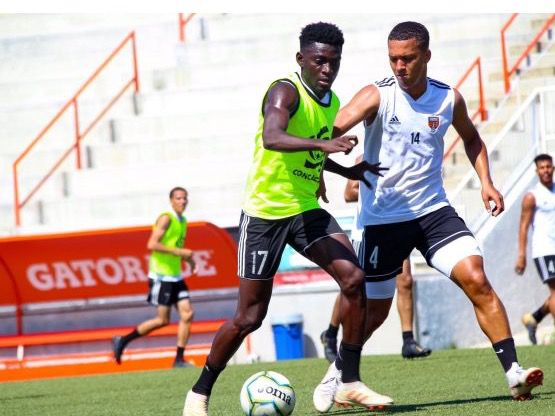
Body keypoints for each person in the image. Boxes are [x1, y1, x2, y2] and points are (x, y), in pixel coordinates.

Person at [313, 21, 543, 410]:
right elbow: (329, 130)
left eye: (408, 58)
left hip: (433, 212)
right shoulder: (376, 96)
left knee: (477, 278)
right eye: (393, 59)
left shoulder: (447, 98)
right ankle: (339, 373)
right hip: (382, 220)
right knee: (376, 312)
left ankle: (514, 374)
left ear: (426, 56)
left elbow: (472, 138)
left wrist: (486, 182)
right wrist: (319, 167)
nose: (399, 66)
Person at [183, 22, 393, 416]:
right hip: (265, 215)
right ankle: (199, 392)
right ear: (301, 60)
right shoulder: (285, 90)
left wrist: (345, 171)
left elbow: (313, 153)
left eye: (333, 61)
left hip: (304, 211)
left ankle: (347, 380)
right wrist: (322, 143)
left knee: (354, 279)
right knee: (249, 318)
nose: (327, 69)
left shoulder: (331, 102)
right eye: (319, 61)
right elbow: (273, 137)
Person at [321, 155, 431, 361]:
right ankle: (331, 333)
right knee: (352, 285)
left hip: (397, 226)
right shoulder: (365, 156)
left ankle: (408, 340)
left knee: (405, 280)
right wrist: (382, 190)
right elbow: (348, 193)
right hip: (368, 230)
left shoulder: (403, 153)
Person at [112, 187, 197, 368]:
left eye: (184, 198)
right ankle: (123, 340)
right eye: (178, 198)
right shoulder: (166, 218)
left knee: (187, 314)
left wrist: (189, 261)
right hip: (161, 276)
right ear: (171, 201)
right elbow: (152, 244)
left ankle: (179, 359)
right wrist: (180, 252)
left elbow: (176, 246)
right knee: (162, 320)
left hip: (175, 276)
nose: (182, 201)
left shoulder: (183, 221)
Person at [515, 153, 555, 345]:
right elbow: (523, 226)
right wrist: (521, 255)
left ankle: (534, 318)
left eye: (549, 166)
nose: (546, 170)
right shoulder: (532, 196)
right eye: (542, 167)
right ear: (536, 171)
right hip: (545, 250)